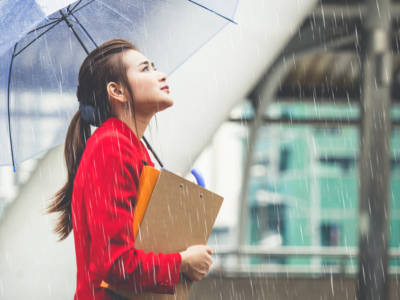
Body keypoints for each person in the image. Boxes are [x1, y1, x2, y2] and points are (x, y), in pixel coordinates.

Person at [47, 38, 213, 300]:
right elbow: (114, 264)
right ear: (117, 91)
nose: (160, 75)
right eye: (145, 69)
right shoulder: (112, 147)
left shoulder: (127, 146)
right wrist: (181, 262)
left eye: (154, 66)